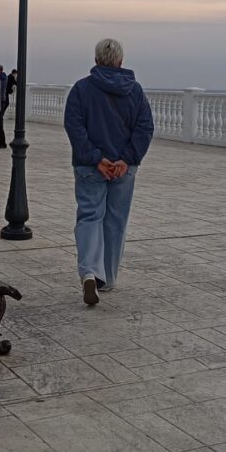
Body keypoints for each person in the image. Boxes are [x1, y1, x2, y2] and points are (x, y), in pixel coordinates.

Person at [63, 39, 154, 305]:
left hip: (89, 166)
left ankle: (90, 272)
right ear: (121, 61)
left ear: (96, 60)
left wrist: (96, 159)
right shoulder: (135, 90)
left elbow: (74, 126)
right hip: (124, 168)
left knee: (90, 216)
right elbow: (145, 127)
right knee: (115, 220)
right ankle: (108, 278)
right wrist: (126, 159)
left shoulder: (81, 89)